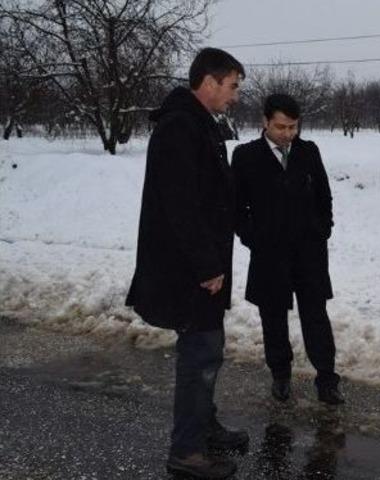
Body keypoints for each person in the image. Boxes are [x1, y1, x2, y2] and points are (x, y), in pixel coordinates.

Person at [126, 47, 248, 479]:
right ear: (210, 82)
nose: (235, 95)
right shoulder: (180, 126)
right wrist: (206, 266)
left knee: (207, 349)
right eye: (232, 86)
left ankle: (204, 426)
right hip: (189, 270)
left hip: (201, 264)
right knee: (200, 353)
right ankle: (187, 452)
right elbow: (180, 206)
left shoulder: (200, 123)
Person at [232, 93, 344, 405]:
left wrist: (324, 228)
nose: (288, 133)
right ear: (265, 122)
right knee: (273, 317)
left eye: (293, 127)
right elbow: (237, 208)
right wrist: (252, 237)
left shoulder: (308, 151)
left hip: (309, 252)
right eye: (281, 127)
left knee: (316, 316)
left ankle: (327, 380)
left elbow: (324, 195)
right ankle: (280, 375)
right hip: (269, 255)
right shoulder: (246, 156)